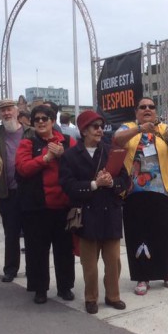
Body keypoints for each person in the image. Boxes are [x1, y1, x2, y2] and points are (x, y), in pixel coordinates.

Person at [114, 96, 168, 295]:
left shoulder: (163, 129)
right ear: (136, 112)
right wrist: (140, 129)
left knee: (164, 234)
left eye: (151, 107)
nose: (147, 109)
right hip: (133, 192)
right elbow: (116, 140)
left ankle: (165, 273)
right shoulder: (127, 127)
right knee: (137, 234)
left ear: (156, 111)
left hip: (162, 191)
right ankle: (142, 276)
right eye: (142, 107)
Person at [60, 110, 131, 314]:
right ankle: (91, 298)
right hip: (87, 216)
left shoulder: (112, 151)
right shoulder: (70, 156)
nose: (100, 130)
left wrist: (111, 183)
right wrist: (93, 184)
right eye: (95, 126)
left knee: (113, 261)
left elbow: (124, 179)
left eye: (101, 126)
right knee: (89, 265)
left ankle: (113, 296)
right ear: (83, 131)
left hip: (110, 214)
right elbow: (68, 185)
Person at [15, 104, 77, 304]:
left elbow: (80, 166)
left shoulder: (68, 142)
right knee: (36, 250)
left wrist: (62, 156)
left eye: (45, 118)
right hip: (36, 207)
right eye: (37, 119)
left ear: (53, 121)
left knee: (64, 250)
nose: (41, 122)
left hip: (64, 206)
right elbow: (23, 168)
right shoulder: (27, 143)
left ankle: (65, 287)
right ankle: (39, 288)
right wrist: (46, 158)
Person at [0, 99, 34, 283]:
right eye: (2, 111)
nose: (6, 113)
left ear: (17, 111)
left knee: (31, 233)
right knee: (11, 233)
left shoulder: (30, 132)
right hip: (7, 192)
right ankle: (10, 269)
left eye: (9, 110)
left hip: (29, 192)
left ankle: (32, 268)